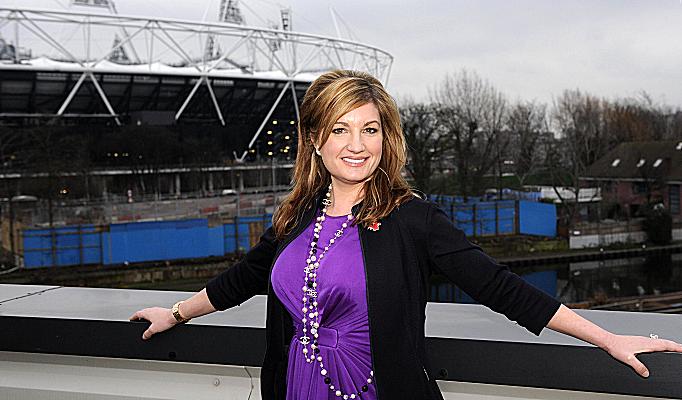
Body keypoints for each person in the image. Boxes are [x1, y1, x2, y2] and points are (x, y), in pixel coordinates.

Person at [130, 69, 682, 400]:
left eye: (369, 128)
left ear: (384, 137)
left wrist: (606, 338)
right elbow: (247, 277)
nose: (356, 143)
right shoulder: (296, 213)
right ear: (315, 141)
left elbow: (498, 286)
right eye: (339, 129)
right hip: (295, 387)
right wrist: (175, 314)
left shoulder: (410, 217)